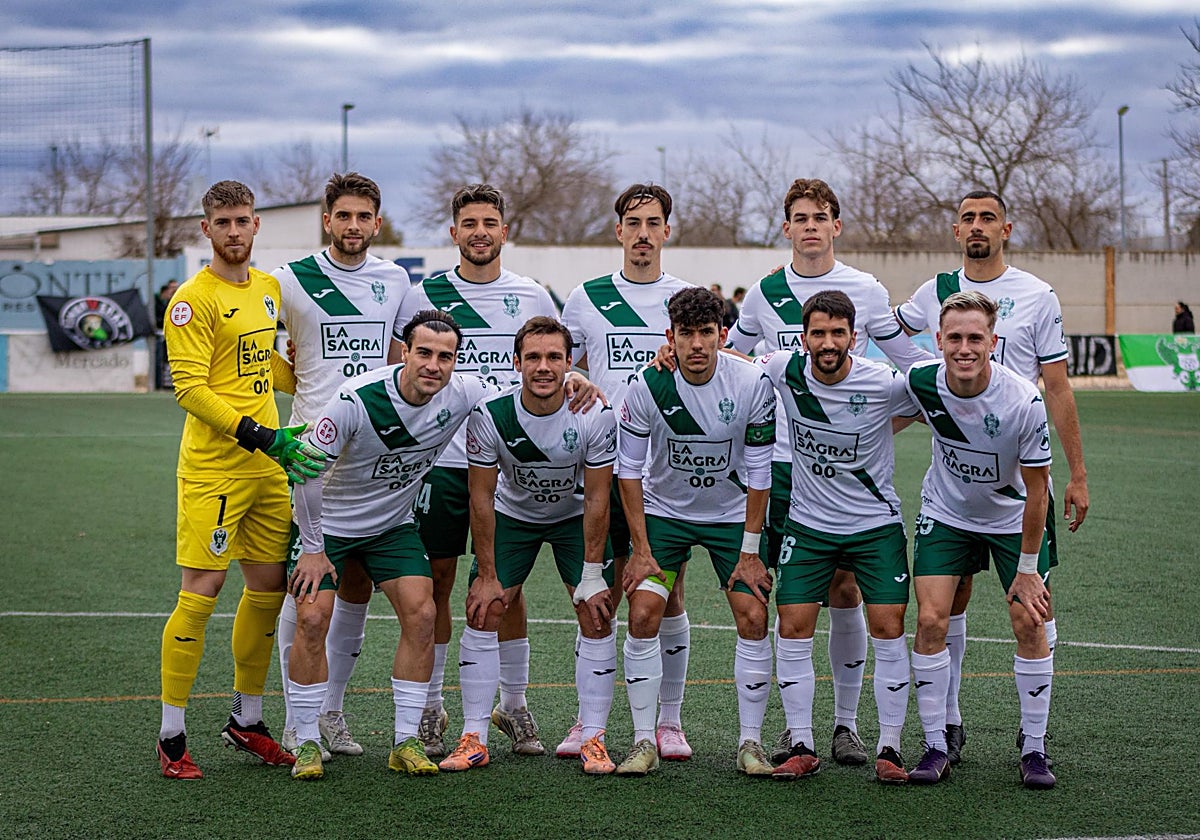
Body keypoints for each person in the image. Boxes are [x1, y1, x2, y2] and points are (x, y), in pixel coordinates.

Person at [726, 178, 926, 766]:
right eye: (800, 217)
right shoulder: (764, 293)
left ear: (837, 225)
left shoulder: (865, 289)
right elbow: (734, 359)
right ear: (786, 227)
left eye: (821, 216)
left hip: (850, 477)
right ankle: (797, 732)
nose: (811, 226)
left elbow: (913, 371)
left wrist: (867, 432)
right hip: (782, 470)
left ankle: (845, 726)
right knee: (793, 605)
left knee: (846, 591)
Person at [894, 190, 1088, 764]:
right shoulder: (933, 293)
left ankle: (1033, 740)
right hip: (952, 491)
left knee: (1030, 614)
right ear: (956, 231)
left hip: (1018, 481)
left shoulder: (1036, 296)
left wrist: (1076, 474)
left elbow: (1056, 386)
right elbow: (876, 334)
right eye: (968, 218)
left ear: (1007, 227)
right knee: (941, 611)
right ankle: (944, 731)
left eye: (988, 218)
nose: (977, 227)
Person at [156, 180, 326, 779]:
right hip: (214, 473)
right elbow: (191, 389)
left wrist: (312, 375)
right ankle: (171, 735)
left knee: (267, 590)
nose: (234, 231)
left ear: (257, 226)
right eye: (223, 222)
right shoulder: (191, 299)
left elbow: (263, 367)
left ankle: (246, 720)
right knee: (200, 593)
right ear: (207, 229)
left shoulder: (268, 290)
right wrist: (262, 435)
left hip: (267, 472)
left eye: (243, 221)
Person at [390, 185, 562, 759]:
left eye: (490, 222)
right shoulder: (425, 293)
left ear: (504, 231)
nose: (480, 231)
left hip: (510, 462)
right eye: (470, 223)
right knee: (438, 583)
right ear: (453, 231)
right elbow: (402, 373)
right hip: (440, 464)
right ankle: (435, 706)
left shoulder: (531, 293)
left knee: (504, 590)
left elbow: (552, 364)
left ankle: (512, 705)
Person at [287, 310, 495, 780]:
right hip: (328, 528)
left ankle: (404, 741)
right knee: (313, 617)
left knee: (423, 614)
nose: (433, 365)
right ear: (405, 352)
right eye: (423, 352)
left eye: (446, 357)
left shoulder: (463, 393)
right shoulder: (355, 400)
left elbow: (521, 394)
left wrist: (578, 382)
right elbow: (304, 469)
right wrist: (314, 547)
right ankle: (305, 741)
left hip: (391, 528)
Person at [272, 172, 412, 760]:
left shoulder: (396, 279)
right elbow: (258, 346)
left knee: (354, 588)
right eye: (343, 216)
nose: (353, 226)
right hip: (313, 454)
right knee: (303, 593)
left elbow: (407, 352)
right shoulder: (289, 280)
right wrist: (290, 377)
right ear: (326, 219)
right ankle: (293, 719)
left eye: (364, 217)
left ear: (376, 223)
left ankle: (330, 713)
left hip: (373, 455)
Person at [755, 290, 918, 784]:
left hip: (875, 527)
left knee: (889, 628)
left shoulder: (884, 381)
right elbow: (731, 363)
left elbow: (938, 392)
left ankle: (890, 747)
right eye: (818, 333)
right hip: (808, 525)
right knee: (793, 625)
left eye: (838, 333)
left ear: (855, 336)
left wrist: (879, 429)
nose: (828, 343)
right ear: (803, 337)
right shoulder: (783, 369)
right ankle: (800, 742)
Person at [444, 316, 619, 775]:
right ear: (517, 362)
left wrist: (594, 573)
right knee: (484, 607)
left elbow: (600, 498)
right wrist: (486, 575)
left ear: (569, 363)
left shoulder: (593, 413)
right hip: (513, 517)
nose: (545, 367)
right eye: (535, 357)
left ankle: (593, 737)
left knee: (596, 611)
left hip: (574, 517)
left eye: (555, 358)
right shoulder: (490, 413)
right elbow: (480, 497)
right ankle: (473, 736)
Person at [615, 287, 777, 777]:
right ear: (671, 337)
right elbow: (628, 470)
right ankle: (646, 740)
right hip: (666, 515)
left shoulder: (751, 383)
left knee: (752, 615)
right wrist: (641, 551)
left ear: (723, 336)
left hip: (731, 518)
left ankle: (751, 743)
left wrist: (750, 551)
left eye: (706, 333)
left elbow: (760, 471)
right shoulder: (647, 385)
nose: (697, 345)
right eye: (686, 334)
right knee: (644, 612)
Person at [560, 183, 697, 759]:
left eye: (653, 222)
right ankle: (587, 722)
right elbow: (556, 371)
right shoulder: (586, 297)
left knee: (666, 595)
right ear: (618, 231)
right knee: (593, 595)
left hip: (666, 473)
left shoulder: (689, 299)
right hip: (599, 466)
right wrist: (574, 378)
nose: (643, 233)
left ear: (668, 231)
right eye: (633, 223)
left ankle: (669, 721)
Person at [903, 291, 1057, 790]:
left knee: (1028, 621)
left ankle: (1034, 747)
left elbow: (1038, 492)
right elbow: (840, 379)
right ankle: (936, 743)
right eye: (954, 338)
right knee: (930, 619)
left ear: (993, 342)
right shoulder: (921, 381)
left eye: (975, 338)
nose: (964, 348)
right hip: (947, 513)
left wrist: (1029, 568)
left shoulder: (1022, 401)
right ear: (938, 340)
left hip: (1015, 519)